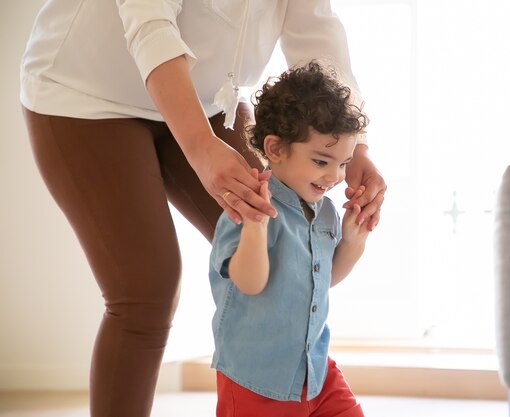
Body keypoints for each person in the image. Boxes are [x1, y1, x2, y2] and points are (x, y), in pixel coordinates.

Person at [20, 1, 385, 416]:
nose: (331, 174)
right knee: (146, 290)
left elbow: (318, 31)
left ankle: (302, 382)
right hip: (88, 93)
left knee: (279, 242)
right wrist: (198, 146)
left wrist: (354, 148)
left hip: (208, 97)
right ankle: (255, 391)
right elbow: (150, 25)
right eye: (325, 164)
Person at [209, 61, 369, 417]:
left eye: (342, 164)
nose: (334, 176)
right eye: (321, 161)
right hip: (256, 378)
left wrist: (354, 243)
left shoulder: (324, 211)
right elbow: (249, 284)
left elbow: (321, 279)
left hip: (314, 372)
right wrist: (255, 227)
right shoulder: (248, 202)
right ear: (276, 149)